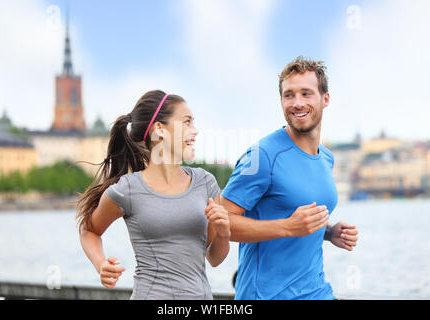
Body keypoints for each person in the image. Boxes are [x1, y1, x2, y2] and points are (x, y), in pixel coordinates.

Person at [220, 56, 359, 300]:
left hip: (318, 292)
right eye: (289, 95)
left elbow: (291, 212)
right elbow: (220, 223)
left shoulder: (326, 157)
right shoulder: (261, 156)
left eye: (306, 94)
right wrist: (287, 227)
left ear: (325, 99)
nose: (297, 103)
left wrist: (328, 232)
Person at [75, 90, 231, 300]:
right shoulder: (127, 189)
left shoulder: (205, 183)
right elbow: (89, 229)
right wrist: (100, 263)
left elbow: (214, 258)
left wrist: (223, 233)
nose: (195, 131)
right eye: (187, 122)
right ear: (159, 129)